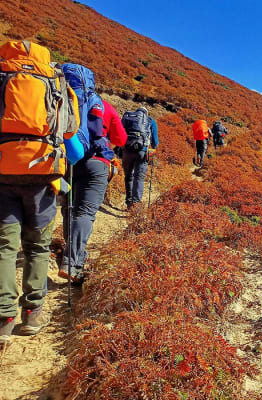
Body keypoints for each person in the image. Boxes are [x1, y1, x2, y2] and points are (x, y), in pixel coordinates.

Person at [0, 41, 79, 347]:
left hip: (3, 170)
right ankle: (32, 314)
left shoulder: (3, 74)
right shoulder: (55, 79)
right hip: (43, 171)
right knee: (37, 246)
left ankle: (4, 318)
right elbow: (70, 129)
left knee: (4, 248)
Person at [58, 63, 114, 284]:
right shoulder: (96, 100)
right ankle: (73, 262)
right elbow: (101, 133)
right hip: (93, 161)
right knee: (85, 213)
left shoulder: (56, 93)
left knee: (68, 209)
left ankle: (68, 255)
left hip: (65, 159)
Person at [121, 107, 158, 208]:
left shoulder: (128, 117)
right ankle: (136, 205)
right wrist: (154, 148)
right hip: (142, 151)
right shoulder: (150, 120)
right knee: (139, 177)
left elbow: (119, 132)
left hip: (127, 150)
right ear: (146, 113)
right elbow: (155, 141)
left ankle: (129, 202)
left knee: (128, 177)